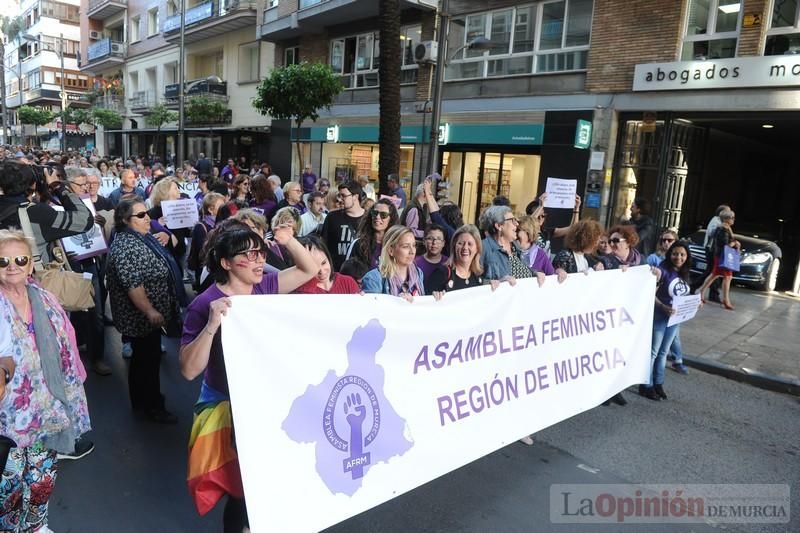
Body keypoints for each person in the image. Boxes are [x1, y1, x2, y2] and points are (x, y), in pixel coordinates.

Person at [179, 225, 318, 532]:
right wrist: (212, 324)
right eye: (248, 254)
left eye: (261, 253)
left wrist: (288, 240)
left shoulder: (265, 287)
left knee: (268, 480)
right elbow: (189, 370)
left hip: (266, 404)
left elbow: (309, 269)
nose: (258, 260)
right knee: (243, 490)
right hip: (228, 409)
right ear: (226, 263)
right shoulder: (204, 304)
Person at [0, 229, 91, 532]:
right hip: (9, 411)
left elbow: (67, 345)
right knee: (9, 478)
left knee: (41, 474)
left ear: (29, 265)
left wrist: (74, 386)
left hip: (48, 403)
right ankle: (11, 527)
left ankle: (36, 525)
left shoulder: (45, 298)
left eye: (19, 259)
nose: (12, 266)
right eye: (3, 261)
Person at [106, 198, 186, 424]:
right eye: (140, 215)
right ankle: (153, 406)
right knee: (148, 361)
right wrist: (150, 311)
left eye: (146, 213)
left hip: (148, 315)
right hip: (140, 317)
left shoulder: (141, 237)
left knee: (143, 359)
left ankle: (140, 401)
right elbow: (133, 285)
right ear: (125, 220)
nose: (147, 218)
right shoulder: (126, 246)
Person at [645, 241, 692, 401]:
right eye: (675, 253)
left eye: (682, 254)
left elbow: (685, 295)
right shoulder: (662, 270)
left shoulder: (685, 272)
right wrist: (663, 306)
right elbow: (651, 293)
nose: (678, 257)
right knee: (653, 352)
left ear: (687, 256)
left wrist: (694, 303)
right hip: (660, 315)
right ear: (670, 254)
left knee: (663, 352)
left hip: (675, 318)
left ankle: (658, 383)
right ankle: (646, 385)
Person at [479, 205, 546, 286]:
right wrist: (495, 282)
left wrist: (535, 273)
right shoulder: (483, 247)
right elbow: (473, 280)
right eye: (512, 220)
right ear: (499, 226)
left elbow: (523, 271)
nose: (517, 224)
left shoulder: (515, 246)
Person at [362, 225, 424, 300]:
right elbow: (373, 309)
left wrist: (437, 299)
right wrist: (398, 302)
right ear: (391, 250)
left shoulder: (418, 273)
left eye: (414, 245)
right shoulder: (373, 278)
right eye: (405, 246)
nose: (412, 251)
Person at [425, 224, 488, 294]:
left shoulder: (478, 278)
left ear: (477, 249)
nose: (465, 248)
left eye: (470, 244)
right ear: (454, 246)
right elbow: (426, 301)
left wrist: (493, 288)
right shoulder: (441, 274)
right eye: (460, 243)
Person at [697, 209, 740, 310]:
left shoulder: (725, 228)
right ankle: (726, 299)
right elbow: (725, 244)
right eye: (732, 217)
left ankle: (701, 292)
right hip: (723, 256)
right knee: (727, 277)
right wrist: (734, 243)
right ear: (726, 219)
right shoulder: (723, 229)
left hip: (720, 255)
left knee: (714, 274)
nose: (733, 220)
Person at [320, 181, 366, 271]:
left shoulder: (369, 218)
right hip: (337, 272)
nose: (340, 199)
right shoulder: (332, 217)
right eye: (339, 196)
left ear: (355, 197)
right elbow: (323, 245)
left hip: (362, 274)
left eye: (343, 196)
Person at [294, 235, 360, 294]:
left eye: (323, 263)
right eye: (313, 267)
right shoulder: (301, 290)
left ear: (328, 257)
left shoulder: (348, 282)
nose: (321, 271)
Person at [346, 198, 398, 269]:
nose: (377, 217)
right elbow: (348, 273)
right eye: (375, 213)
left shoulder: (397, 246)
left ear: (391, 219)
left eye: (383, 215)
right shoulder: (358, 244)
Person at [188, 192, 226, 289]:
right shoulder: (201, 227)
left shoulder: (223, 224)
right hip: (205, 270)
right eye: (221, 206)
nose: (224, 209)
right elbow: (203, 253)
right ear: (210, 209)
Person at [694, 204, 730, 302]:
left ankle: (710, 293)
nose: (730, 215)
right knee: (713, 272)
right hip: (711, 249)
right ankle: (696, 288)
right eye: (728, 212)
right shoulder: (716, 221)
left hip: (714, 250)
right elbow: (711, 233)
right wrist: (720, 227)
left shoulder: (722, 222)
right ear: (721, 213)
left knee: (713, 272)